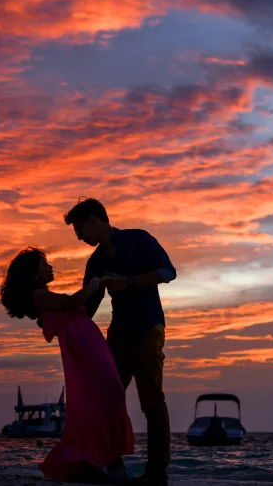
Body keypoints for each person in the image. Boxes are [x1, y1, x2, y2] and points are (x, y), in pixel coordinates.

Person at [64, 198, 176, 486]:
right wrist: (61, 321)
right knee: (104, 399)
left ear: (93, 220)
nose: (78, 236)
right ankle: (109, 464)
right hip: (118, 334)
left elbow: (168, 272)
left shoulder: (138, 239)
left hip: (149, 328)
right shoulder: (96, 262)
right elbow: (88, 306)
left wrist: (128, 281)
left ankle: (157, 472)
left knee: (152, 402)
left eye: (79, 229)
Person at [0, 247, 134, 484]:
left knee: (109, 397)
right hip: (83, 347)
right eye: (44, 265)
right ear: (33, 273)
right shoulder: (38, 295)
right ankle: (104, 464)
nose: (49, 267)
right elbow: (74, 300)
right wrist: (97, 282)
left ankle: (108, 463)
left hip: (88, 342)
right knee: (109, 396)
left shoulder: (43, 295)